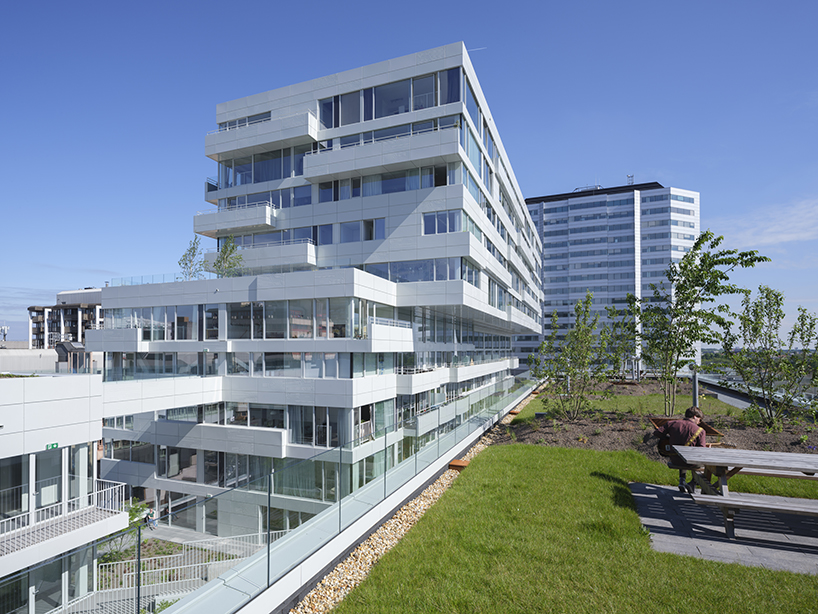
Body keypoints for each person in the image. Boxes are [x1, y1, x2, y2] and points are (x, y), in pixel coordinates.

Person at [655, 406, 711, 492]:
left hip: (675, 460)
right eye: (699, 420)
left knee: (683, 455)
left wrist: (668, 439)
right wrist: (708, 450)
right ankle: (692, 483)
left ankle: (682, 481)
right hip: (690, 463)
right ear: (695, 416)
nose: (699, 423)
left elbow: (657, 433)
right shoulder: (700, 431)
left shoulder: (672, 423)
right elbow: (701, 451)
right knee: (704, 464)